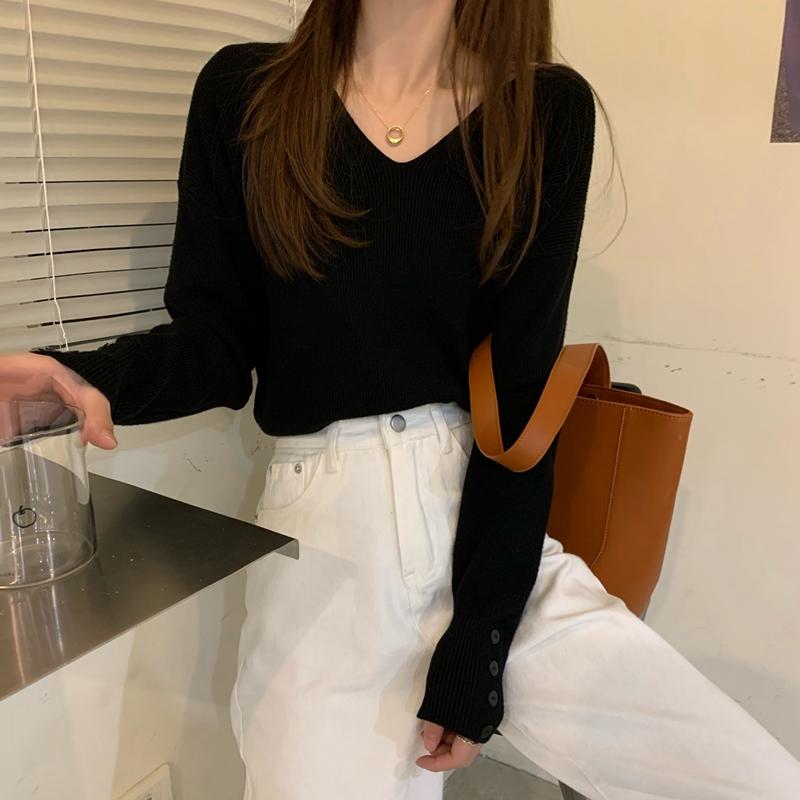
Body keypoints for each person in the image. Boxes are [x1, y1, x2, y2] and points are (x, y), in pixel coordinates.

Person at [2, 2, 799, 798]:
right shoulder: (246, 94)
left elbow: (520, 398)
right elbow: (215, 348)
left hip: (484, 520)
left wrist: (482, 638)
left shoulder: (543, 110)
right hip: (327, 539)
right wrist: (71, 382)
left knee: (748, 781)